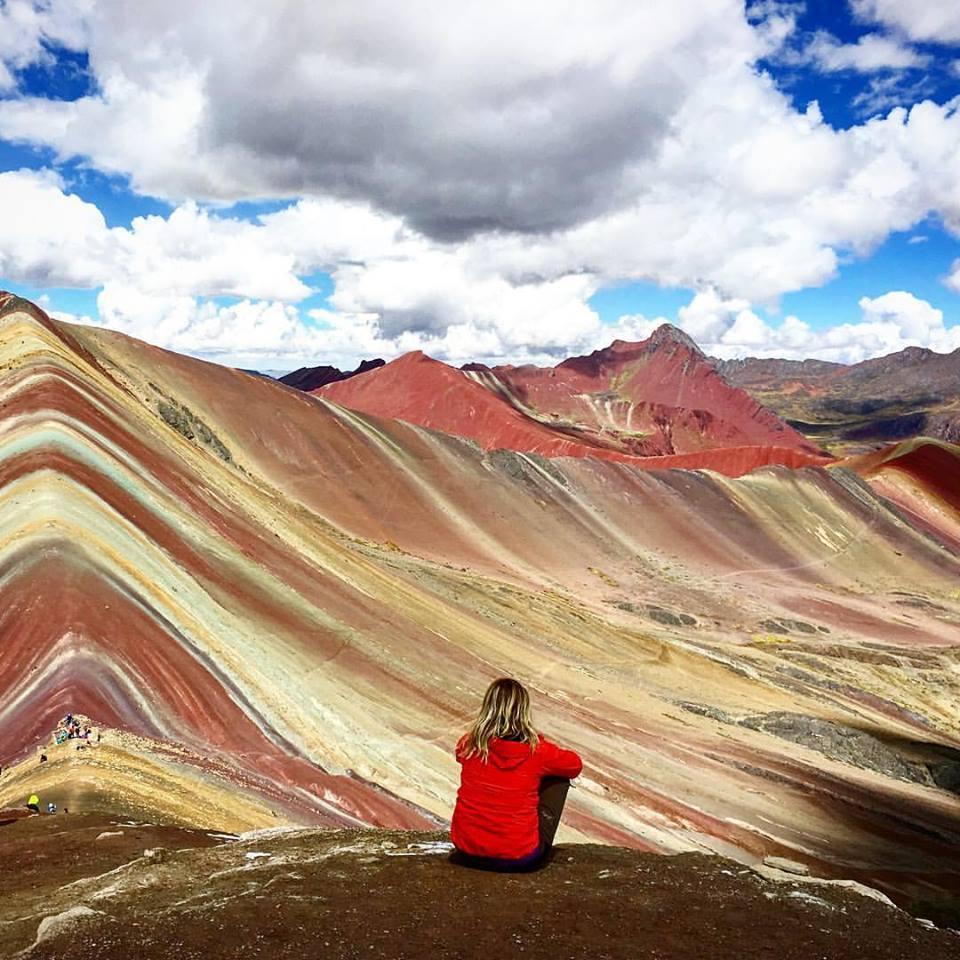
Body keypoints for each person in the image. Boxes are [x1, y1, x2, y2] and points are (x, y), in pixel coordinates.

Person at [451, 677, 582, 871]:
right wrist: (538, 741)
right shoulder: (537, 752)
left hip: (466, 851)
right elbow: (574, 765)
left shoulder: (470, 744)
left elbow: (460, 755)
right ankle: (525, 835)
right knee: (558, 777)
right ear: (523, 711)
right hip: (518, 857)